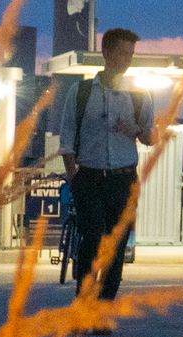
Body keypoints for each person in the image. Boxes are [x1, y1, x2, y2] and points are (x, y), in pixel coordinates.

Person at [58, 27, 155, 321]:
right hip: (88, 175)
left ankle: (103, 308)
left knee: (117, 241)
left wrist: (136, 129)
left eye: (131, 54)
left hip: (123, 177)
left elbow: (151, 137)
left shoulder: (138, 94)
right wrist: (73, 176)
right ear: (106, 52)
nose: (127, 59)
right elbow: (67, 137)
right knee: (91, 238)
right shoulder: (82, 92)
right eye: (122, 52)